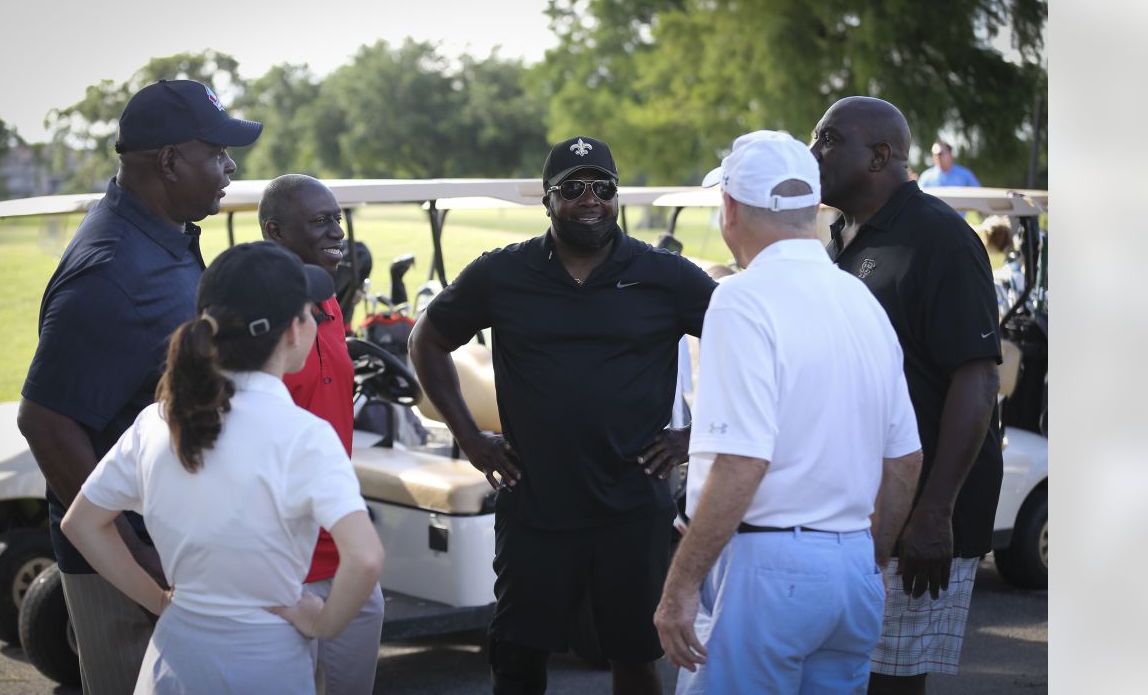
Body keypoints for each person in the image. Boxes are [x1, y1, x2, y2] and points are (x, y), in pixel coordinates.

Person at [409, 135, 717, 695]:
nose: (590, 199)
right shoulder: (503, 273)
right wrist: (473, 439)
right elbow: (425, 340)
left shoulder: (664, 275)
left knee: (635, 659)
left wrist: (696, 435)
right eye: (572, 188)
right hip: (535, 507)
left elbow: (748, 345)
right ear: (547, 200)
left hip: (631, 507)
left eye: (603, 187)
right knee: (517, 662)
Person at [653, 130, 924, 694]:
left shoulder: (740, 297)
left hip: (767, 569)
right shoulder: (861, 300)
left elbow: (742, 462)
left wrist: (681, 586)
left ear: (729, 207)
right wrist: (868, 559)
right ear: (812, 207)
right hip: (852, 566)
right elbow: (904, 458)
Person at [16, 78, 262, 694]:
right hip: (129, 565)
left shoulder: (165, 237)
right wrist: (134, 560)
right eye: (218, 153)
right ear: (170, 161)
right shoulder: (111, 269)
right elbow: (45, 420)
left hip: (176, 540)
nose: (230, 166)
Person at [61, 241, 385, 694]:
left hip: (171, 662)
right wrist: (324, 622)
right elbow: (366, 558)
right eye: (310, 311)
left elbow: (82, 523)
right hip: (266, 667)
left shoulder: (157, 420)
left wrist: (158, 600)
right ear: (294, 332)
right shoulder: (304, 436)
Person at [810, 97, 1003, 695]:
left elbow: (977, 380)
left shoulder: (940, 239)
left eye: (828, 140)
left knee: (890, 681)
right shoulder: (842, 234)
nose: (813, 153)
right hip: (857, 506)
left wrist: (934, 511)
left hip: (920, 511)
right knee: (844, 673)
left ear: (880, 156)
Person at [259, 174, 386, 694]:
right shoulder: (256, 319)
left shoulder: (329, 304)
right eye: (319, 221)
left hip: (345, 545)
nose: (336, 230)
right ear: (275, 232)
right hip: (282, 559)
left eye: (337, 217)